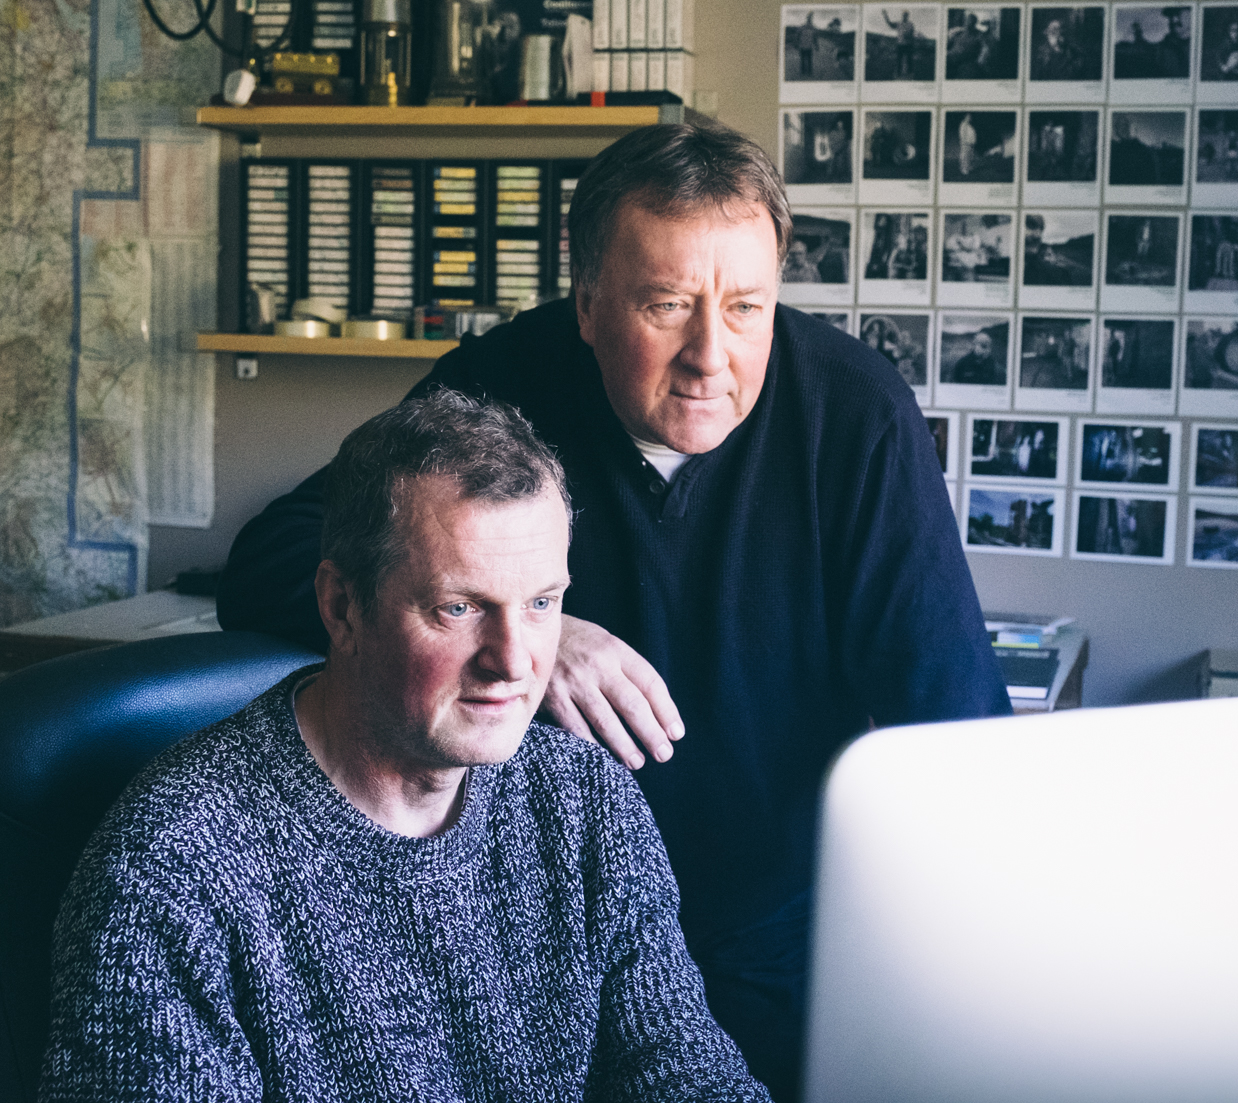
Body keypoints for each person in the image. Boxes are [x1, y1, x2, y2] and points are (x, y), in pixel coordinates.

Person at [216, 122, 1010, 1103]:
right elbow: (280, 557)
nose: (709, 356)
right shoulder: (501, 382)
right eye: (667, 304)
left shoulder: (856, 414)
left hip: (774, 943)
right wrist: (537, 637)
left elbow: (959, 732)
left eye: (747, 307)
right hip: (537, 948)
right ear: (586, 301)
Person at [41, 391, 770, 1102]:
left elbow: (684, 1070)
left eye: (543, 603)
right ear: (342, 606)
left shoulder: (585, 802)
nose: (514, 662)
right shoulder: (174, 868)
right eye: (459, 608)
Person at [796, 12, 818, 77]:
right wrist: (797, 43)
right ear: (807, 20)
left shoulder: (813, 28)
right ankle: (804, 72)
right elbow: (797, 36)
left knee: (809, 60)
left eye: (810, 19)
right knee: (803, 59)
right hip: (802, 46)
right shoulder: (802, 27)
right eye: (809, 19)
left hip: (809, 47)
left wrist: (816, 46)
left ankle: (809, 72)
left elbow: (815, 38)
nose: (809, 21)